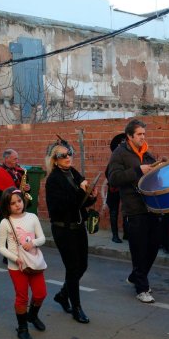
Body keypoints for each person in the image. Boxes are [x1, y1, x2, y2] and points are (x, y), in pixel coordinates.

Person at [107, 119, 160, 304]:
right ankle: (142, 288)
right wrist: (138, 170)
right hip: (134, 209)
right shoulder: (119, 153)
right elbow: (113, 178)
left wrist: (159, 167)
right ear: (129, 136)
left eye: (144, 134)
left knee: (153, 247)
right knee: (139, 250)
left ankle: (136, 276)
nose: (143, 137)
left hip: (151, 207)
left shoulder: (147, 154)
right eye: (139, 134)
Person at [45, 137, 98, 323]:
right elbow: (64, 205)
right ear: (55, 159)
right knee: (72, 268)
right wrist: (82, 192)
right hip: (63, 229)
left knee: (82, 266)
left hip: (78, 226)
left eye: (70, 154)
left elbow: (82, 203)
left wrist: (92, 195)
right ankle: (76, 307)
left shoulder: (74, 173)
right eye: (63, 155)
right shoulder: (53, 180)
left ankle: (62, 294)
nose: (68, 157)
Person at [0, 187, 47, 339]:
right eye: (12, 203)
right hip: (16, 267)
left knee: (40, 294)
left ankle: (32, 315)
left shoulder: (32, 217)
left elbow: (42, 238)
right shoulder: (5, 223)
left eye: (19, 201)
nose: (17, 205)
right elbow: (0, 247)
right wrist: (14, 258)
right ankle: (22, 327)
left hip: (34, 263)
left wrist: (32, 243)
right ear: (7, 206)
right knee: (22, 297)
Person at [0, 149, 31, 263]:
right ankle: (8, 256)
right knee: (10, 232)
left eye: (17, 158)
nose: (17, 161)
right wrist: (9, 202)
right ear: (6, 159)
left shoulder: (19, 171)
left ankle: (19, 253)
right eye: (14, 159)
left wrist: (27, 188)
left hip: (19, 206)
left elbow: (23, 186)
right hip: (5, 207)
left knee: (20, 231)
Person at [106, 133, 127, 243]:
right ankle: (115, 235)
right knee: (114, 212)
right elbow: (108, 173)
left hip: (124, 188)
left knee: (126, 211)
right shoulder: (114, 158)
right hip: (114, 189)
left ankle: (126, 233)